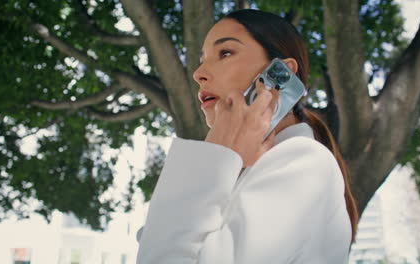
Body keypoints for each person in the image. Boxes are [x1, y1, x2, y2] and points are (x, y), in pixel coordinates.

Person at [136, 9, 359, 264]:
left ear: (283, 73)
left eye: (225, 53)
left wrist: (215, 156)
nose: (199, 73)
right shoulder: (247, 170)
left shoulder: (304, 161)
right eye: (202, 59)